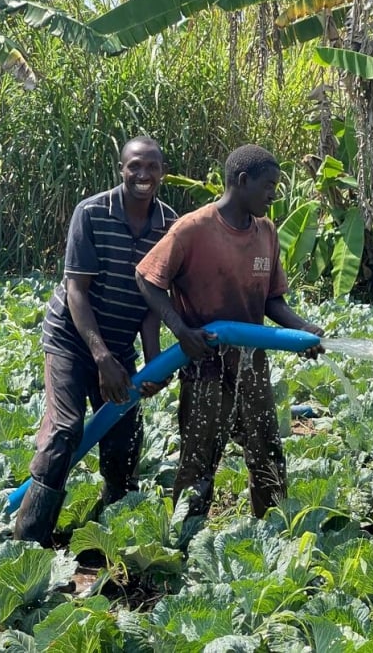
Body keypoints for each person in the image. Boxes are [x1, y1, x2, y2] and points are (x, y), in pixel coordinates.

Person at [135, 143, 324, 522]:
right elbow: (147, 278)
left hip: (252, 365)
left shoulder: (267, 233)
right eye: (269, 185)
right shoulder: (193, 229)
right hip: (204, 363)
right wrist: (181, 330)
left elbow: (273, 301)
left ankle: (274, 534)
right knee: (199, 460)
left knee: (267, 452)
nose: (274, 194)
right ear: (242, 181)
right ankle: (183, 541)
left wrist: (302, 330)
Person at [15, 136, 177, 546]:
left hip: (119, 343)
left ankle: (113, 528)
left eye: (152, 167)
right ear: (121, 169)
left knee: (124, 437)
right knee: (66, 431)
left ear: (162, 171)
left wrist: (154, 362)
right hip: (72, 338)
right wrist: (101, 356)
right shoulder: (91, 212)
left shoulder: (168, 224)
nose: (144, 175)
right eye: (135, 166)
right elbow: (77, 292)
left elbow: (151, 302)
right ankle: (27, 542)